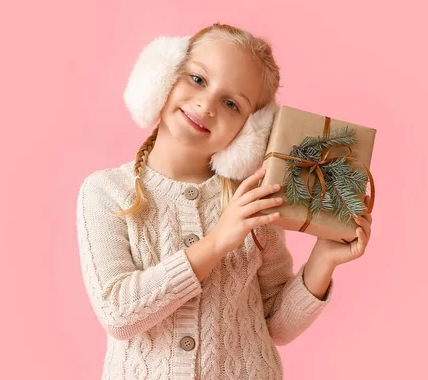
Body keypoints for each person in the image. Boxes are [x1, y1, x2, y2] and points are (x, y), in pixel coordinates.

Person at [76, 22, 374, 380]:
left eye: (232, 103)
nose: (206, 104)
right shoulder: (105, 191)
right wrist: (218, 242)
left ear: (251, 132)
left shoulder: (250, 201)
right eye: (197, 79)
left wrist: (323, 260)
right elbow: (118, 312)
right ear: (161, 76)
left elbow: (276, 326)